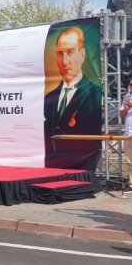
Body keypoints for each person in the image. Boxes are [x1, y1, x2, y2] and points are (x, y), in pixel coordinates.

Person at [44, 26, 103, 169]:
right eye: (59, 54)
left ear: (82, 55)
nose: (64, 61)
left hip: (81, 169)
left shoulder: (94, 94)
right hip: (53, 169)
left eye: (70, 52)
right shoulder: (48, 99)